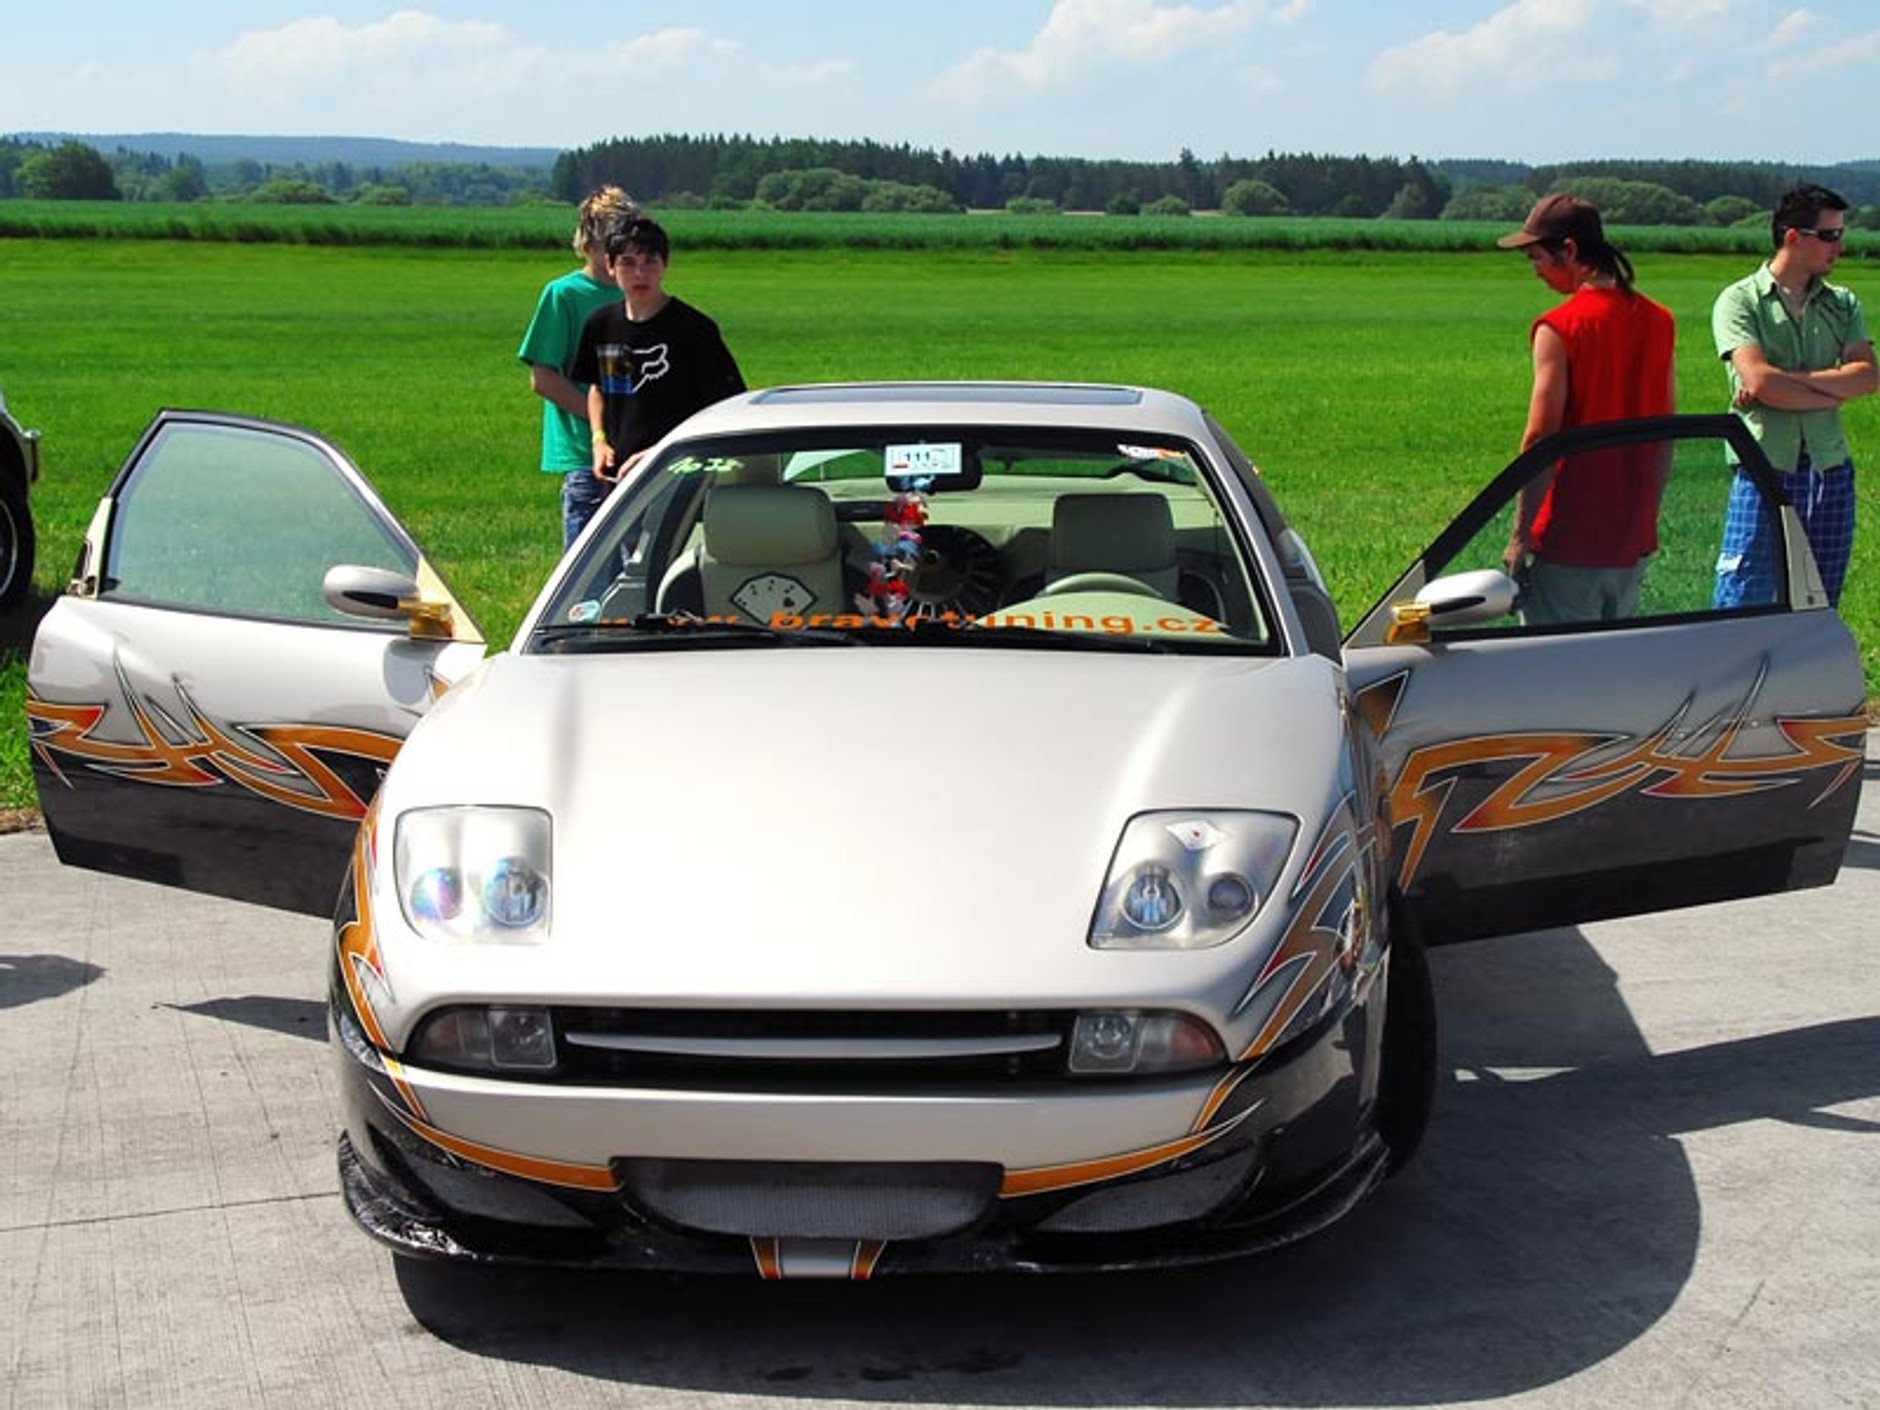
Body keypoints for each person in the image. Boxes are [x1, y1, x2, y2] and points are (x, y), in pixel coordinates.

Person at [1496, 193, 1677, 624]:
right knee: (1616, 658)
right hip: (1632, 538)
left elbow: (1541, 438)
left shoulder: (1559, 328)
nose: (1536, 270)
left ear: (1570, 250)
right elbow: (1665, 432)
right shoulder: (1659, 321)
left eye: (1537, 257)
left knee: (1557, 660)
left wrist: (1520, 537)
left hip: (1570, 537)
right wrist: (1646, 516)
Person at [1712, 183, 1877, 609]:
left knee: (1818, 604)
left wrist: (1785, 384)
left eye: (1841, 234)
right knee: (1742, 598)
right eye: (1829, 235)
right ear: (1793, 237)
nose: (1840, 246)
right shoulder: (1740, 301)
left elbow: (1867, 376)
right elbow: (1762, 383)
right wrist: (1829, 388)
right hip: (1765, 468)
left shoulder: (1843, 303)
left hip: (1830, 469)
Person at [572, 217, 746, 489]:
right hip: (619, 477)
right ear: (610, 265)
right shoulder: (601, 325)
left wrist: (659, 453)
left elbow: (725, 407)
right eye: (628, 263)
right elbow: (599, 388)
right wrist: (599, 441)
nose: (640, 273)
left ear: (665, 264)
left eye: (649, 262)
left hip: (681, 472)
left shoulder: (694, 330)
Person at [517, 185, 641, 549]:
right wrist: (602, 421)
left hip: (636, 454)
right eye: (610, 246)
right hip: (586, 456)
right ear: (588, 243)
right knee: (591, 569)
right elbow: (543, 378)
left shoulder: (637, 293)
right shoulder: (564, 295)